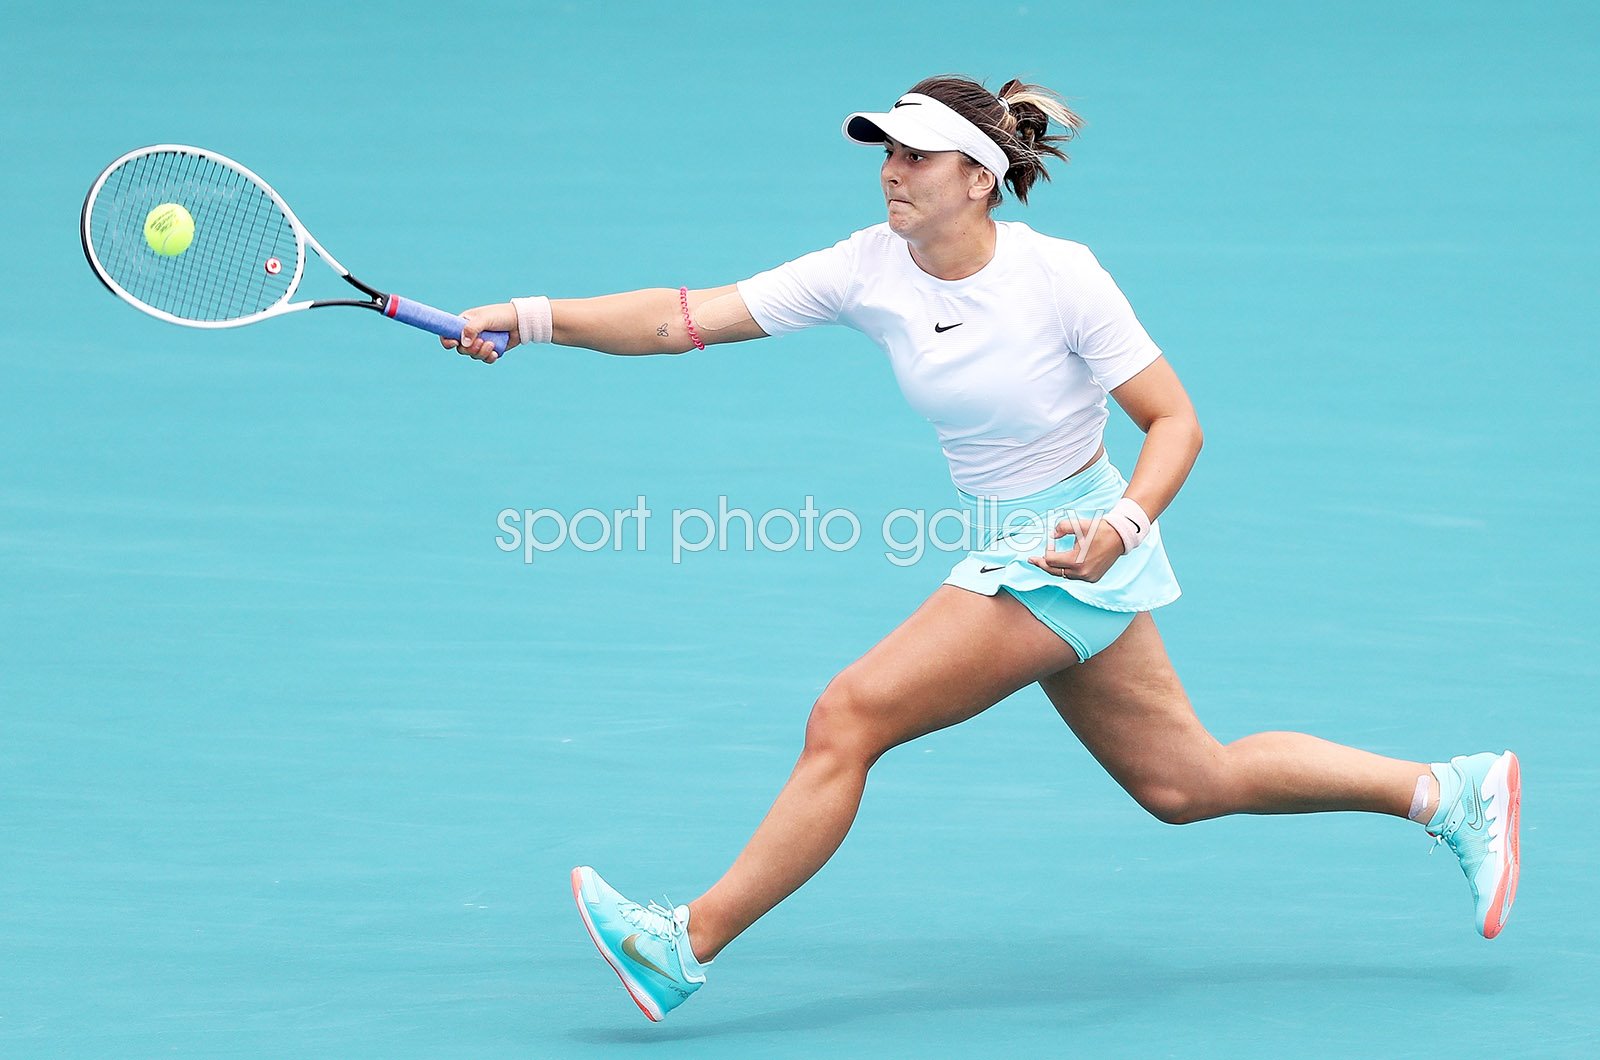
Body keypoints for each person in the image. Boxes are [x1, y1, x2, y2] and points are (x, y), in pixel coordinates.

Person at [444, 75, 1521, 1023]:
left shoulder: (1062, 277)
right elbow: (686, 316)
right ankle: (1446, 791)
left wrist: (1118, 529)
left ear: (980, 178)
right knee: (1185, 780)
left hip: (1066, 542)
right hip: (1027, 540)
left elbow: (1176, 421)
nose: (891, 172)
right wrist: (531, 317)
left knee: (847, 713)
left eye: (916, 154)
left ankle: (685, 943)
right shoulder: (868, 266)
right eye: (886, 152)